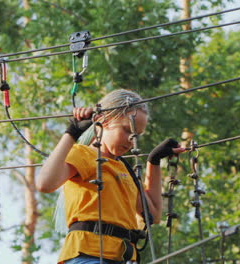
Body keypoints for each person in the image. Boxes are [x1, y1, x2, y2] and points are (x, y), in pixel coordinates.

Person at [36, 89, 185, 264]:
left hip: (120, 258)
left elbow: (152, 214)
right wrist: (72, 133)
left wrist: (154, 161)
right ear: (103, 121)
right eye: (127, 130)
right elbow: (45, 184)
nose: (132, 140)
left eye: (137, 135)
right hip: (87, 255)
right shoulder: (84, 154)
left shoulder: (123, 168)